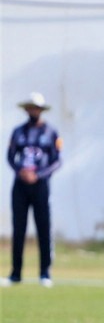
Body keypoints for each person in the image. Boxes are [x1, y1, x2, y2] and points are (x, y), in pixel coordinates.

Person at [5, 92, 62, 288]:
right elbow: (10, 156)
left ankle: (45, 273)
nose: (33, 111)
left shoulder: (51, 132)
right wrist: (20, 171)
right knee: (18, 228)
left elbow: (57, 161)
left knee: (43, 228)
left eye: (36, 108)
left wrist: (38, 175)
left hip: (40, 185)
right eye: (30, 107)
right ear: (26, 109)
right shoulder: (18, 132)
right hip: (20, 186)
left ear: (41, 110)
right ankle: (15, 274)